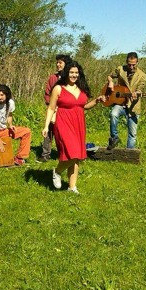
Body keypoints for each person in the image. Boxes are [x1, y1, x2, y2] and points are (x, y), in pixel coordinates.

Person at [42, 61, 104, 194]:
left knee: (77, 157)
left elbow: (83, 106)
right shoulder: (58, 88)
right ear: (66, 73)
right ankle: (57, 171)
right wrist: (46, 126)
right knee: (73, 152)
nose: (74, 75)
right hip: (63, 122)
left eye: (76, 73)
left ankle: (72, 187)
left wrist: (96, 101)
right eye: (71, 72)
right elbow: (51, 108)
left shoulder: (81, 88)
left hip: (78, 124)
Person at [0, 84, 32, 171]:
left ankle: (19, 158)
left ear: (6, 95)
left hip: (4, 130)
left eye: (2, 95)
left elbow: (9, 115)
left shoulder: (10, 103)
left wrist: (10, 125)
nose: (0, 97)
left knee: (26, 131)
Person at [105, 52, 146, 150]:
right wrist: (110, 82)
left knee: (132, 133)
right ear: (126, 62)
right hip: (120, 102)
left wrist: (137, 93)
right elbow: (110, 76)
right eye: (129, 64)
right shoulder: (120, 69)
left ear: (137, 62)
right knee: (113, 114)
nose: (131, 67)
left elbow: (140, 88)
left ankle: (129, 153)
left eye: (133, 64)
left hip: (133, 105)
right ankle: (114, 137)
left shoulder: (142, 75)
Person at [37, 54, 72, 162]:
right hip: (53, 108)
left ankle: (65, 153)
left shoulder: (71, 78)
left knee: (64, 132)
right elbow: (47, 93)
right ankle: (45, 154)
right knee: (48, 130)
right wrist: (52, 106)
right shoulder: (53, 78)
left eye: (60, 63)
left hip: (66, 109)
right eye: (57, 62)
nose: (57, 65)